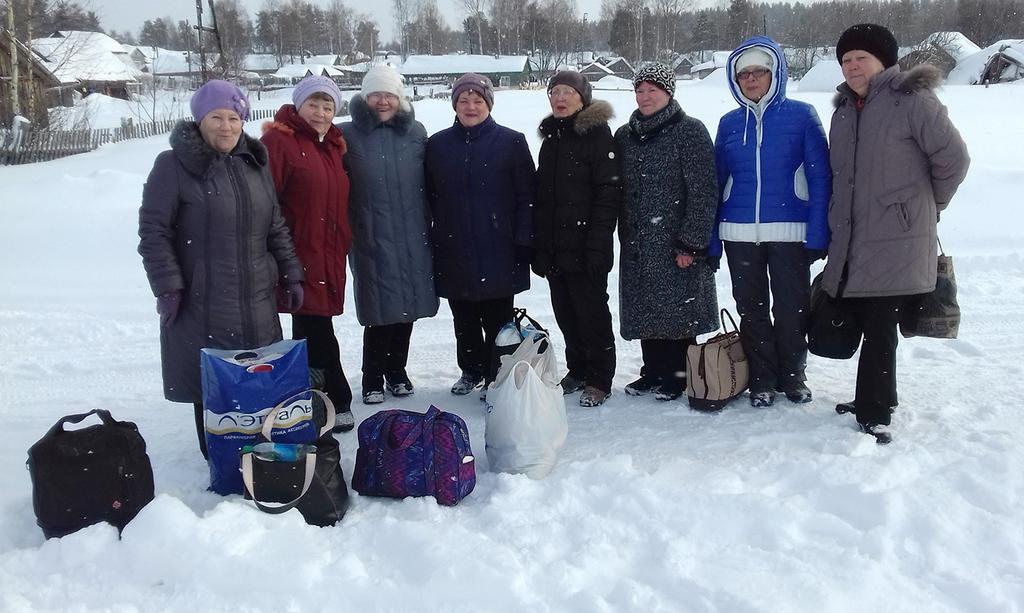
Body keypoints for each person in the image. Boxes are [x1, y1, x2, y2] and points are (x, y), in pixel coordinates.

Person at [138, 80, 304, 458]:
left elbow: (274, 224)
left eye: (233, 117)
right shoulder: (173, 166)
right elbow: (154, 230)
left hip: (257, 295)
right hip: (203, 298)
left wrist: (291, 272)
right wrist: (168, 286)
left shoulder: (254, 163)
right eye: (216, 117)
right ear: (200, 119)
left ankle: (259, 454)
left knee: (258, 376)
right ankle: (220, 459)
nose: (226, 126)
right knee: (213, 380)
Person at [824, 24, 969, 444]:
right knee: (870, 321)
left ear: (883, 61)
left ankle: (875, 411)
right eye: (846, 60)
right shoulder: (847, 109)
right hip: (858, 236)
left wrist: (926, 206)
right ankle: (873, 396)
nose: (852, 66)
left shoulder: (912, 100)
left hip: (898, 236)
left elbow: (954, 159)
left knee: (883, 323)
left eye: (861, 59)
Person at [710, 36, 832, 408]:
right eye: (743, 74)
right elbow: (716, 182)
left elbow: (820, 177)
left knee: (792, 306)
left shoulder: (802, 115)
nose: (751, 79)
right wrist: (713, 238)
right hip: (739, 232)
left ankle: (793, 375)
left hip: (790, 232)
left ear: (775, 73)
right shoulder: (730, 123)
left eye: (758, 72)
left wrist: (817, 231)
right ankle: (762, 377)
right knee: (751, 308)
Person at [614, 62, 720, 401]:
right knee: (646, 306)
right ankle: (653, 371)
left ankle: (679, 374)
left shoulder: (689, 131)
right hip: (637, 239)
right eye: (640, 90)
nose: (645, 97)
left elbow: (704, 190)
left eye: (652, 90)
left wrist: (691, 241)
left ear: (668, 93)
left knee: (678, 308)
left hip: (675, 238)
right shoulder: (625, 135)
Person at [425, 73, 535, 398]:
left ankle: (496, 376)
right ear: (454, 104)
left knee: (499, 319)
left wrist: (524, 238)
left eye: (478, 100)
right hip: (454, 244)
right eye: (463, 100)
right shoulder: (438, 144)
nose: (470, 106)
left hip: (499, 245)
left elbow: (526, 195)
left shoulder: (511, 142)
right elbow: (429, 195)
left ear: (489, 103)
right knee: (464, 317)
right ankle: (470, 369)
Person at [340, 65, 439, 405]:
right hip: (370, 232)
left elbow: (432, 179)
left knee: (406, 306)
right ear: (365, 98)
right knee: (378, 309)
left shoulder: (416, 133)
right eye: (376, 94)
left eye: (389, 95)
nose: (383, 101)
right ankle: (371, 377)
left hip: (412, 231)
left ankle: (397, 371)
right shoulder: (347, 135)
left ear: (400, 98)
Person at [260, 75, 355, 432]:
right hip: (297, 251)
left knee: (312, 326)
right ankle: (333, 399)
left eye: (327, 105)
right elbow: (266, 202)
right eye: (313, 104)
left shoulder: (331, 146)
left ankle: (315, 397)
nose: (320, 112)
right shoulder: (278, 142)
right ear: (298, 105)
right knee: (315, 327)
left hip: (327, 251)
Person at [533, 70, 621, 407]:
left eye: (568, 91)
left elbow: (608, 194)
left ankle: (599, 378)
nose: (560, 97)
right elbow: (544, 199)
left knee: (592, 315)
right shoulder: (552, 140)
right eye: (554, 92)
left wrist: (598, 245)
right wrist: (541, 246)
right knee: (566, 313)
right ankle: (578, 369)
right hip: (557, 250)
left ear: (582, 98)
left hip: (587, 249)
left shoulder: (599, 137)